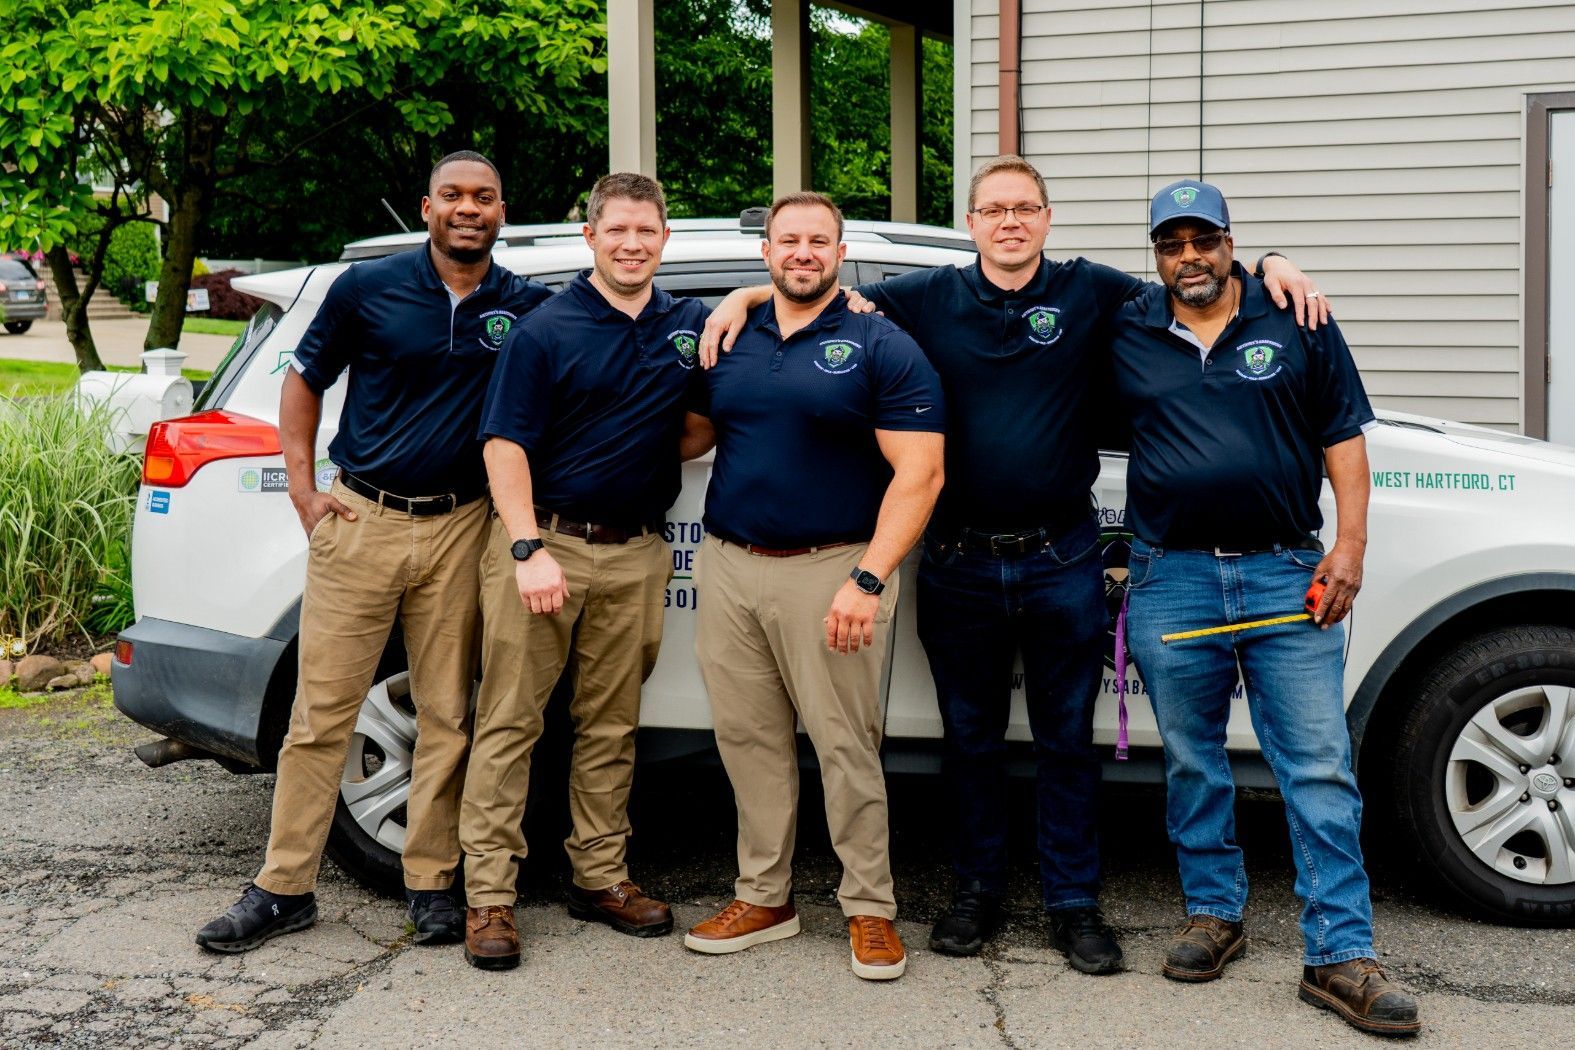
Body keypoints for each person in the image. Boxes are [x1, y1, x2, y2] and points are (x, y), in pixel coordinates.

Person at [699, 156, 1328, 974]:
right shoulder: (921, 299)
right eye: (992, 209)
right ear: (970, 222)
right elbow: (813, 299)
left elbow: (1194, 284)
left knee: (1068, 743)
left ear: (1045, 218)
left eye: (1023, 209)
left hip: (1060, 557)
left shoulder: (1090, 291)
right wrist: (744, 293)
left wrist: (1270, 263)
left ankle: (1074, 905)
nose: (1008, 222)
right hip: (958, 560)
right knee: (971, 742)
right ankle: (975, 896)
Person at [195, 151, 553, 953]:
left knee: (446, 716)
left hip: (464, 527)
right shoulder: (366, 289)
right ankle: (283, 887)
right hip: (362, 520)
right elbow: (304, 379)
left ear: (502, 212)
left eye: (484, 197)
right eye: (454, 196)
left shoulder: (524, 304)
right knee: (319, 715)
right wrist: (301, 487)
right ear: (428, 207)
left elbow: (620, 316)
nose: (469, 208)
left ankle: (431, 883)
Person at [1113, 179, 1419, 1036]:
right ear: (1156, 254)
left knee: (1316, 766)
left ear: (1229, 242)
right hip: (1169, 575)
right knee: (1191, 762)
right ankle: (1214, 916)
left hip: (1287, 574)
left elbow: (1342, 437)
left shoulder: (1296, 321)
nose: (1188, 258)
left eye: (1201, 240)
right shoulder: (1129, 324)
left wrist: (1348, 544)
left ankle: (1338, 955)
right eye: (1171, 244)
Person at [679, 192, 945, 981]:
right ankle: (764, 897)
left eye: (818, 241)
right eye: (787, 240)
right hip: (727, 565)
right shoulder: (727, 334)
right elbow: (691, 432)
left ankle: (869, 910)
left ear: (838, 251)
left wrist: (866, 579)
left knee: (844, 747)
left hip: (833, 568)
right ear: (766, 252)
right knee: (748, 741)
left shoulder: (880, 342)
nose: (802, 252)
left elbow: (920, 473)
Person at [459, 173, 711, 971]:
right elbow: (504, 445)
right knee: (510, 724)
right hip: (548, 550)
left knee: (611, 726)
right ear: (591, 238)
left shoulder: (686, 324)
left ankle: (599, 877)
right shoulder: (547, 327)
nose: (632, 243)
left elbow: (699, 424)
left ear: (664, 239)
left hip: (639, 551)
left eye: (646, 230)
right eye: (617, 230)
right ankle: (490, 899)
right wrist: (529, 547)